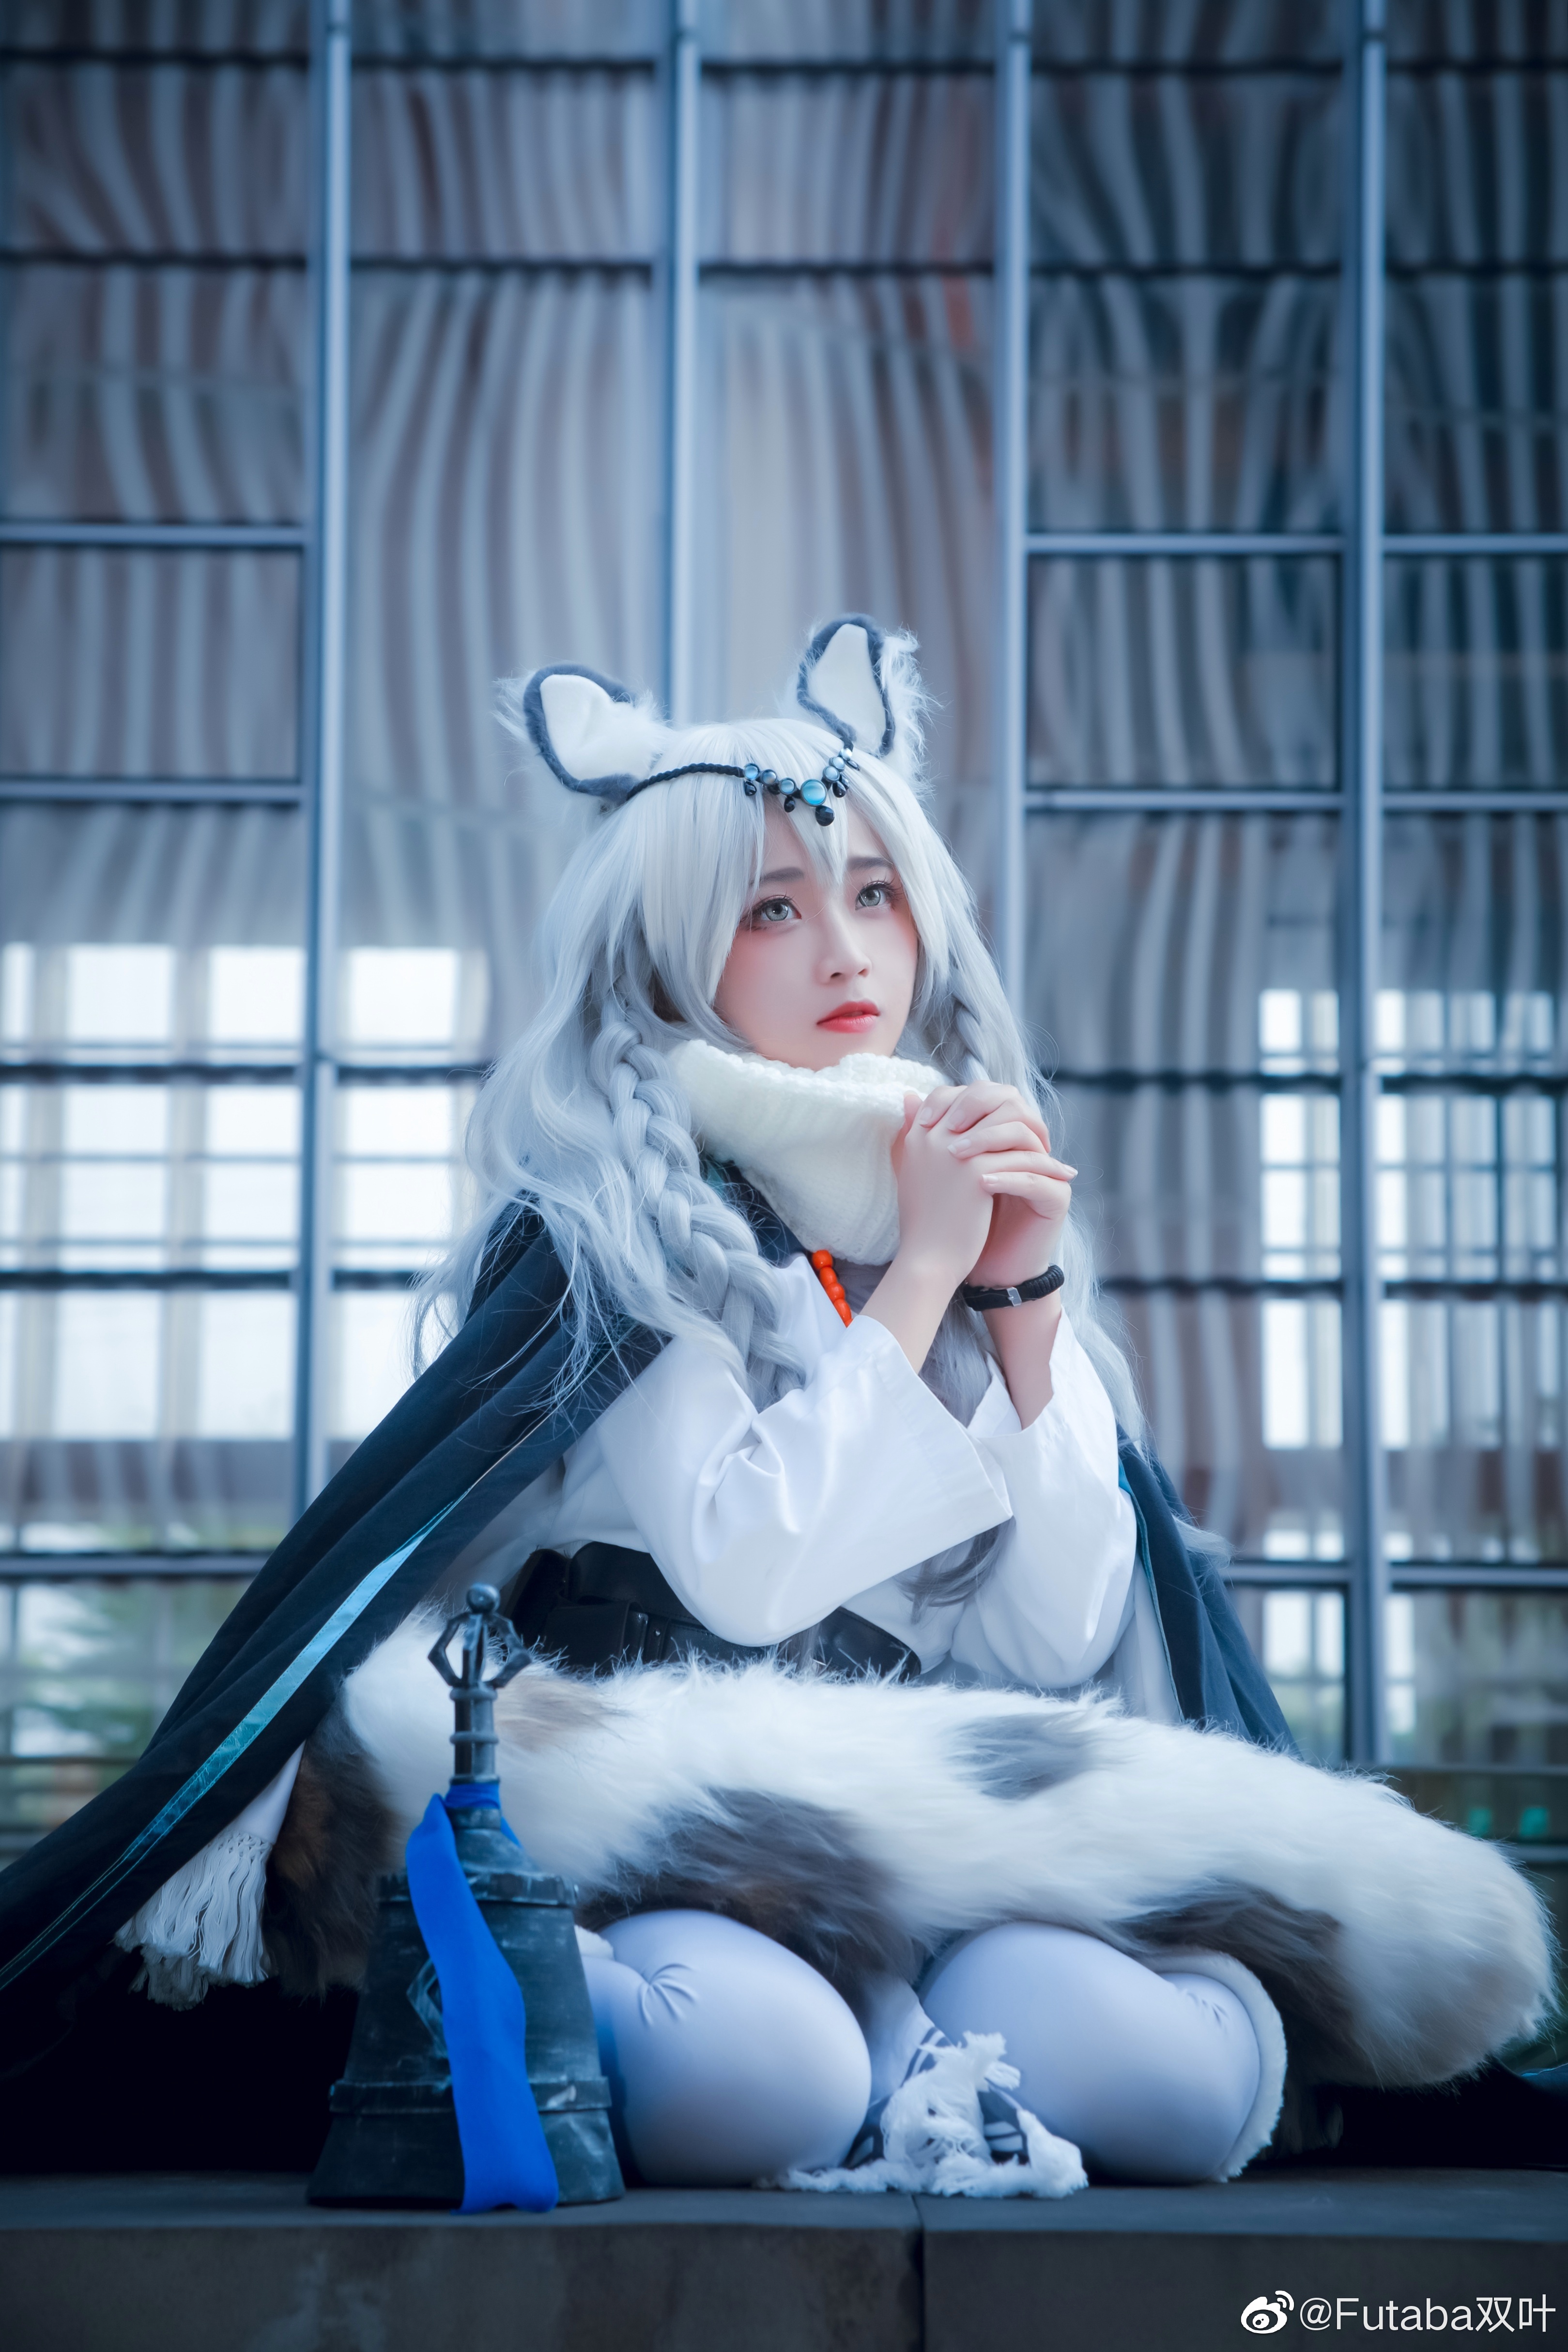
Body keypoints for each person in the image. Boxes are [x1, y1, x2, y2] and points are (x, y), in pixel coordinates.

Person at [1, 619, 1551, 2196]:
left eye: (876, 895)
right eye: (774, 908)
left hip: (921, 1824)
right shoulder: (613, 1234)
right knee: (771, 2079)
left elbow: (1058, 1639)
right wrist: (927, 1267)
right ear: (667, 956)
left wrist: (1021, 1297)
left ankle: (905, 2057)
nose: (847, 953)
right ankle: (543, 1992)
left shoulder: (949, 1207)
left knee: (1173, 2079)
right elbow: (749, 1565)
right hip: (662, 1815)